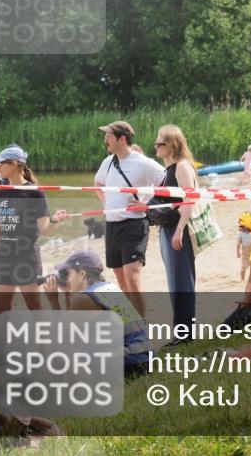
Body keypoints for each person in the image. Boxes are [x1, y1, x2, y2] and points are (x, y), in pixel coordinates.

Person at [93, 121, 164, 318]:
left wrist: (148, 204)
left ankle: (142, 324)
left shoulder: (142, 162)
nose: (105, 140)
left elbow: (166, 182)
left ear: (122, 139)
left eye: (109, 136)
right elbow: (98, 182)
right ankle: (132, 321)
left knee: (132, 276)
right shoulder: (107, 162)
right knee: (121, 279)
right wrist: (106, 202)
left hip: (134, 224)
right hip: (112, 225)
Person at [42, 250, 150, 377]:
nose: (65, 278)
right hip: (142, 358)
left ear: (82, 274)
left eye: (68, 273)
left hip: (126, 366)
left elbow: (65, 340)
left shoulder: (85, 299)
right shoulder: (110, 288)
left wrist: (53, 300)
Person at [0, 145, 69, 314]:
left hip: (25, 255)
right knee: (2, 309)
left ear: (14, 164)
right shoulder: (1, 191)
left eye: (1, 163)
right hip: (3, 256)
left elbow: (44, 230)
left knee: (34, 307)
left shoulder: (34, 193)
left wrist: (54, 219)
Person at [153, 124, 199, 334]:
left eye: (160, 142)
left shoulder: (182, 166)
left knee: (181, 281)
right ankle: (181, 330)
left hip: (177, 230)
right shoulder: (168, 170)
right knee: (174, 281)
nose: (156, 146)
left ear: (172, 145)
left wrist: (180, 229)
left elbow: (190, 198)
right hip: (167, 230)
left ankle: (184, 332)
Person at [236, 212, 251, 281]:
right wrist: (238, 252)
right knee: (244, 266)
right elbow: (238, 244)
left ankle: (246, 278)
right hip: (246, 252)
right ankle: (242, 279)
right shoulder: (241, 234)